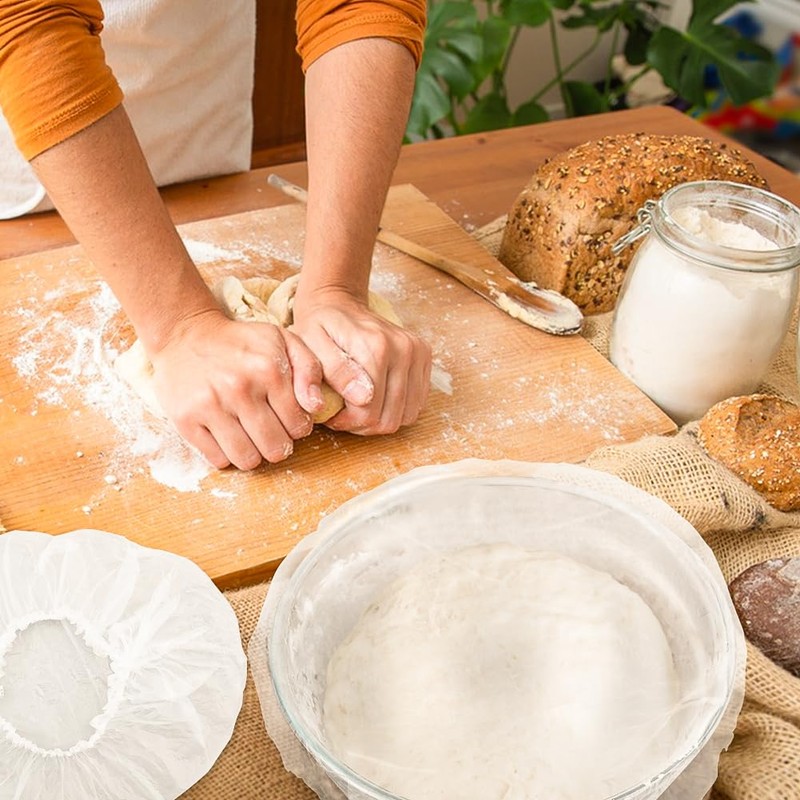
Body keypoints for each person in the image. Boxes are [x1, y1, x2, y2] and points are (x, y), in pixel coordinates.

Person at [0, 0, 432, 471]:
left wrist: (337, 287)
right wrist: (178, 324)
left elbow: (358, 6)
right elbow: (26, 20)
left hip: (199, 116)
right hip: (31, 161)